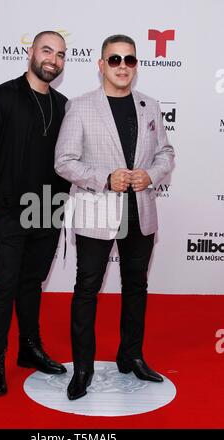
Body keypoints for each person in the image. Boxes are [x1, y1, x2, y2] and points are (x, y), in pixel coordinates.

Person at [55, 34, 174, 400]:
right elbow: (64, 161)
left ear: (136, 66)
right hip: (97, 208)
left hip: (140, 210)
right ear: (101, 64)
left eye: (130, 60)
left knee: (136, 286)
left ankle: (131, 356)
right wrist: (104, 178)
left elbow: (166, 153)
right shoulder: (80, 106)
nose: (123, 66)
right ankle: (84, 368)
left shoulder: (150, 106)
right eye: (115, 59)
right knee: (87, 289)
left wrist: (151, 175)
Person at [0, 31, 70, 396]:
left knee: (32, 285)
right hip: (9, 211)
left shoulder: (63, 105)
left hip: (48, 210)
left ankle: (29, 349)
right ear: (31, 52)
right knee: (3, 288)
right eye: (47, 51)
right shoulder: (3, 96)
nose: (53, 59)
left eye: (60, 55)